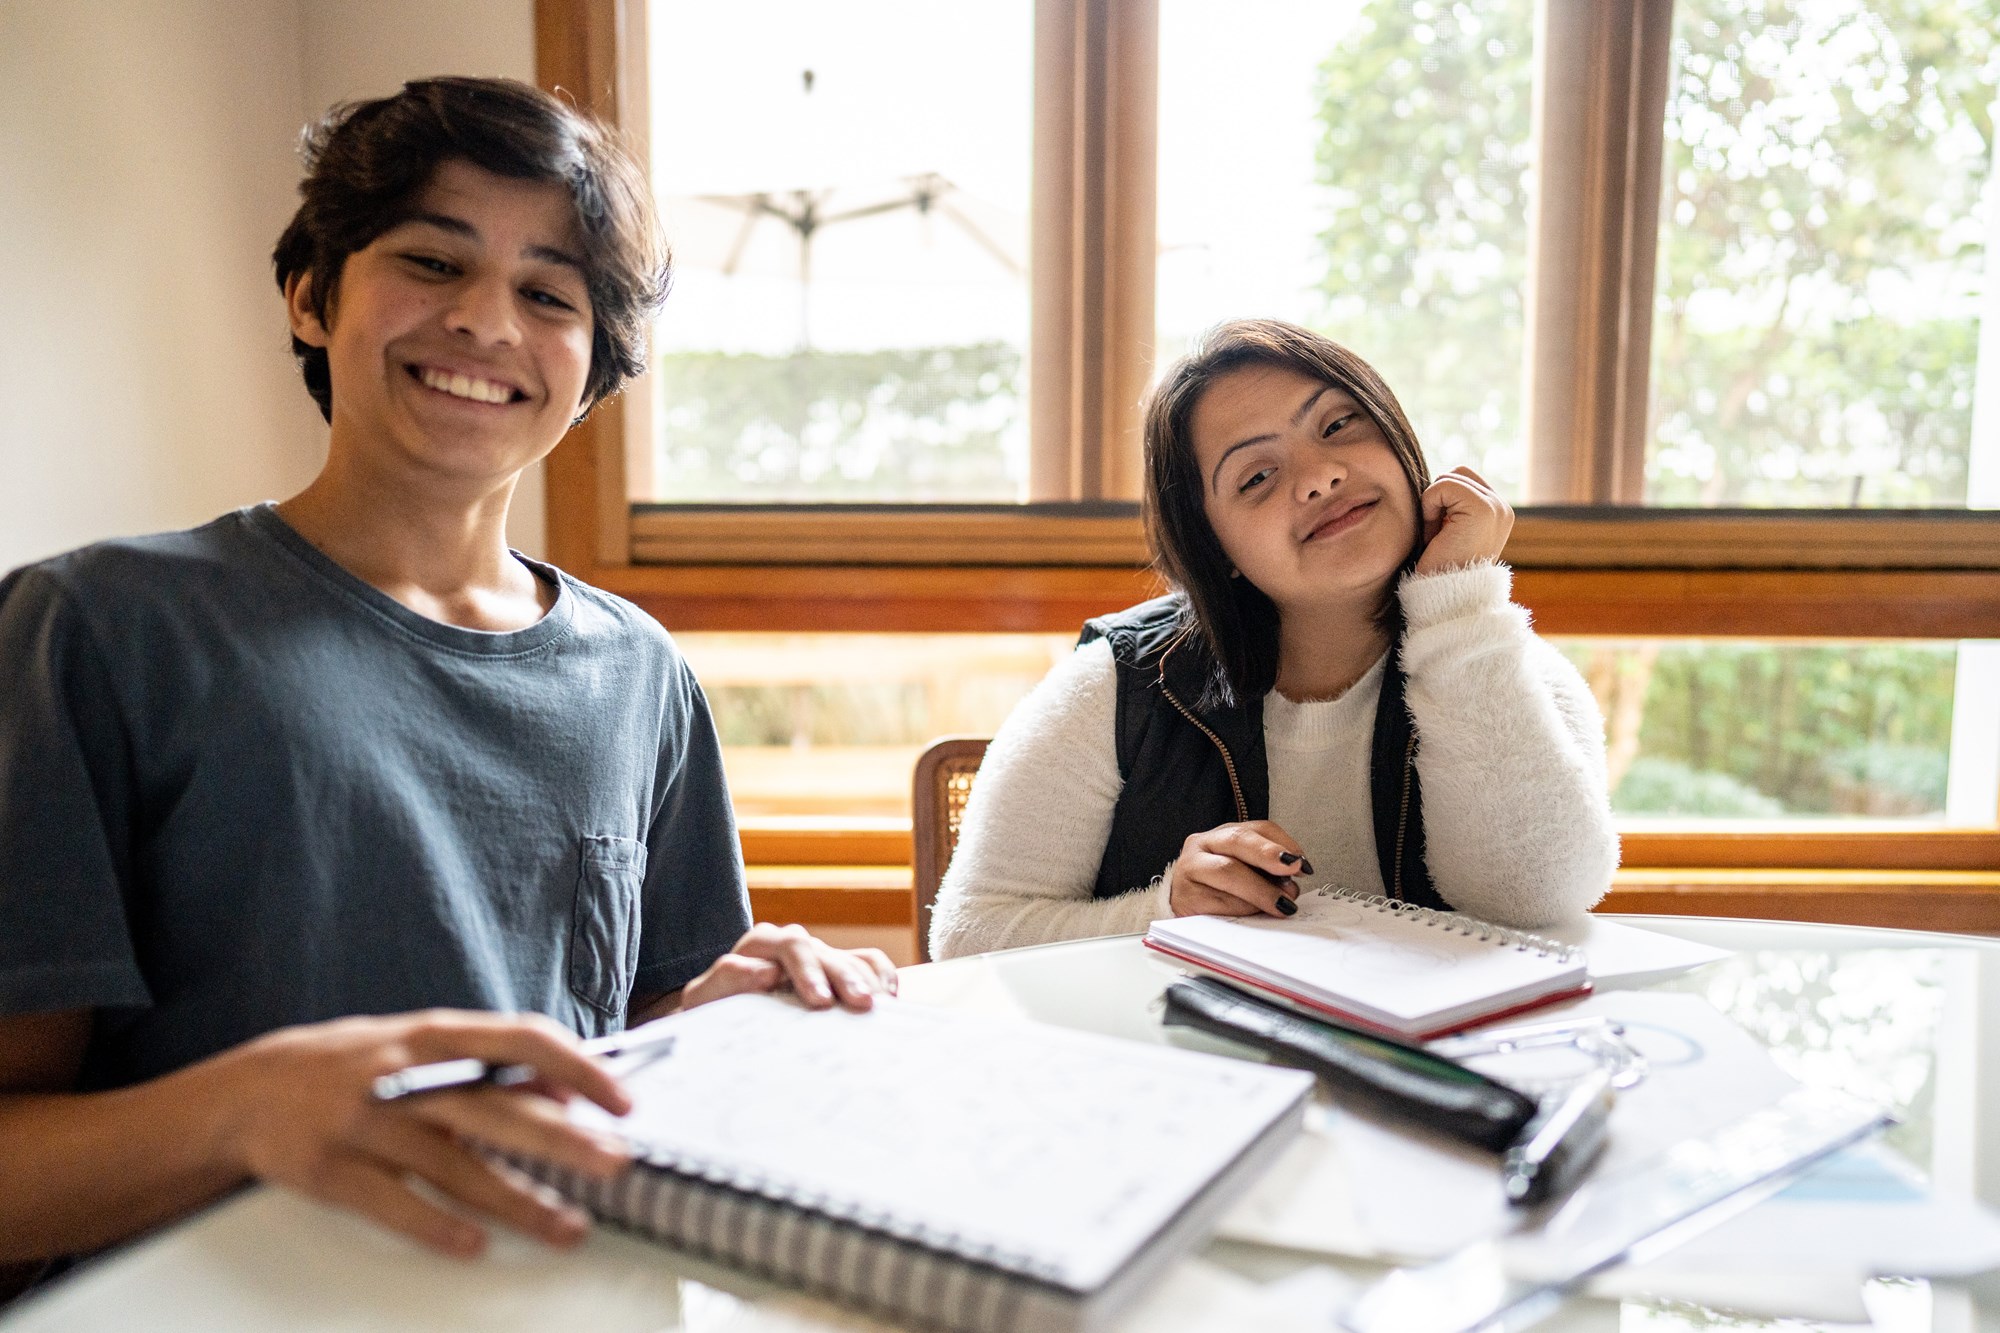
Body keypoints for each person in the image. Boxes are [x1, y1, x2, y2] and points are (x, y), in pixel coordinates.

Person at [0, 77, 893, 1281]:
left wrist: (711, 1021)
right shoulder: (99, 630)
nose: (484, 323)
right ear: (312, 295)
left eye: (548, 294)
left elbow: (618, 1049)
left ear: (597, 363)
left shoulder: (639, 673)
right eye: (432, 262)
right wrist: (241, 1110)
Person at [929, 319, 1618, 959]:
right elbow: (967, 935)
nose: (1320, 476)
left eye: (1338, 425)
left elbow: (1537, 899)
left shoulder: (1498, 662)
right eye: (1257, 476)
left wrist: (1458, 602)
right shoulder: (1121, 685)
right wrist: (1167, 911)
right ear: (1214, 546)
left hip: (1441, 1051)